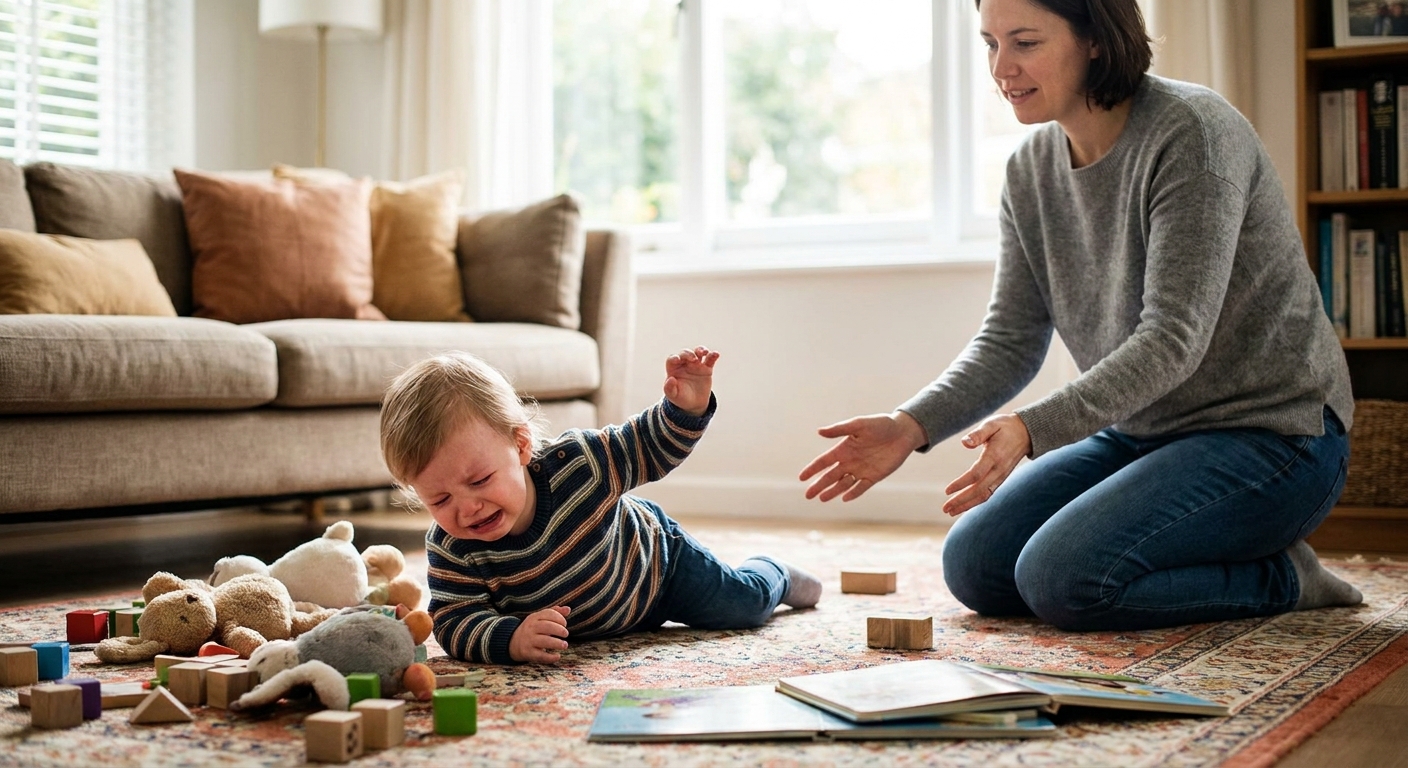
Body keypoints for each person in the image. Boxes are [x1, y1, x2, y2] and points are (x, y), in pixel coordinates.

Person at [799, 0, 1362, 632]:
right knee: (975, 565)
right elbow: (1010, 341)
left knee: (1063, 579)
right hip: (1144, 432)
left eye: (1026, 42)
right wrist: (911, 426)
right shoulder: (1030, 170)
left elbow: (1173, 339)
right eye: (990, 43)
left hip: (1274, 435)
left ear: (1095, 39)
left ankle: (1285, 577)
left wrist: (1035, 427)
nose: (1001, 67)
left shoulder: (1194, 132)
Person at [380, 347, 822, 664]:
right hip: (592, 613)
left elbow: (647, 445)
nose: (467, 508)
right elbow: (456, 621)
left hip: (657, 570)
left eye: (479, 481)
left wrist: (684, 409)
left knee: (743, 606)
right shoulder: (452, 547)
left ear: (520, 445)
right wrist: (511, 638)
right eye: (439, 499)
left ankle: (776, 573)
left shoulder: (580, 465)